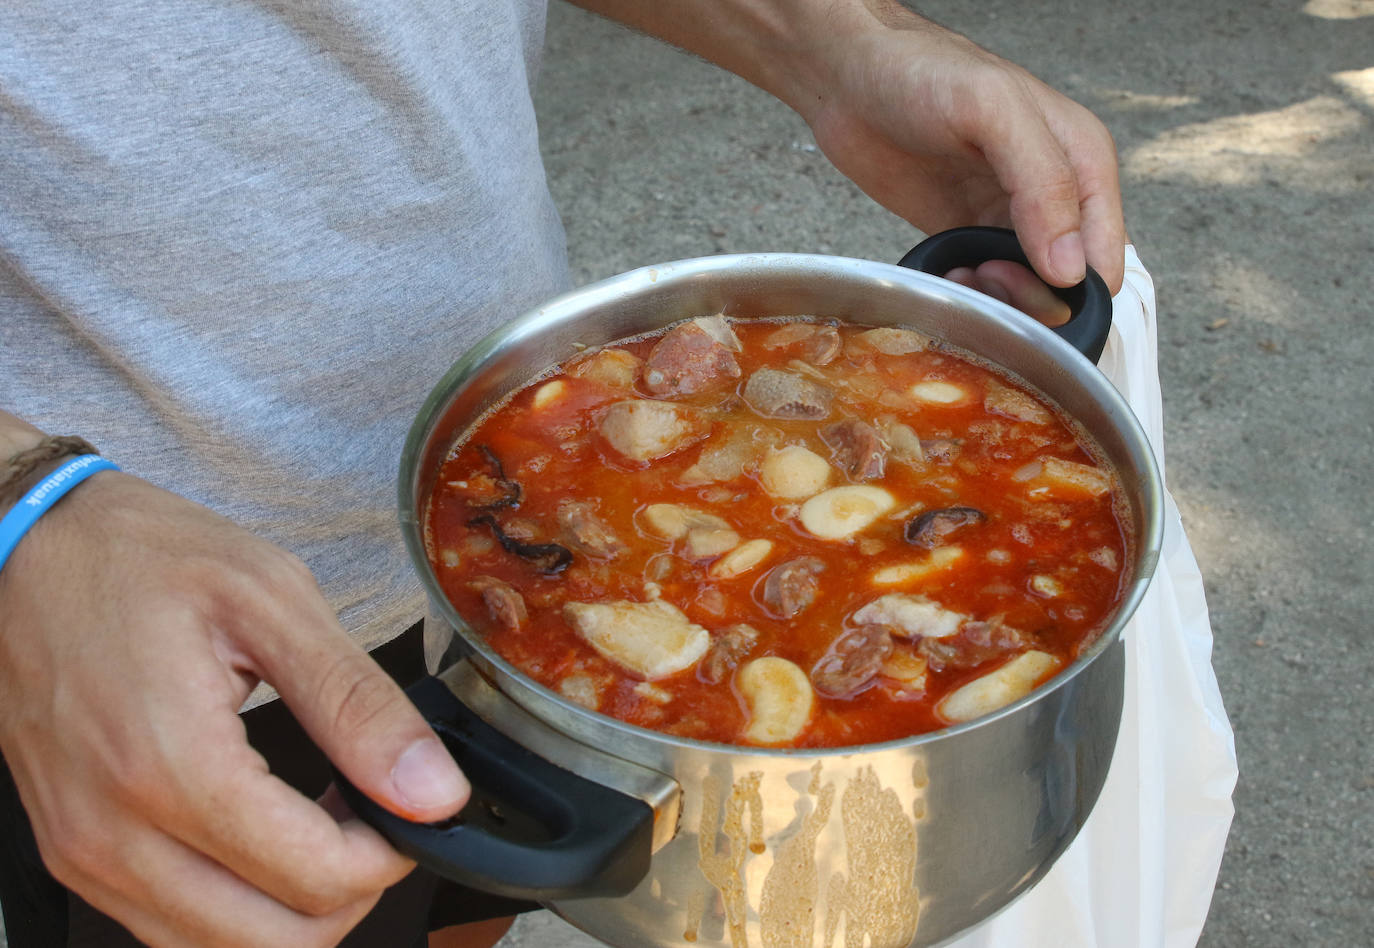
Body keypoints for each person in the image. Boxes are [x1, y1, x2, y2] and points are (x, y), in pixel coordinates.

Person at [0, 1, 1187, 946]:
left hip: (507, 583)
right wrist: (22, 511)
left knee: (469, 902)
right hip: (126, 643)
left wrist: (838, 40)